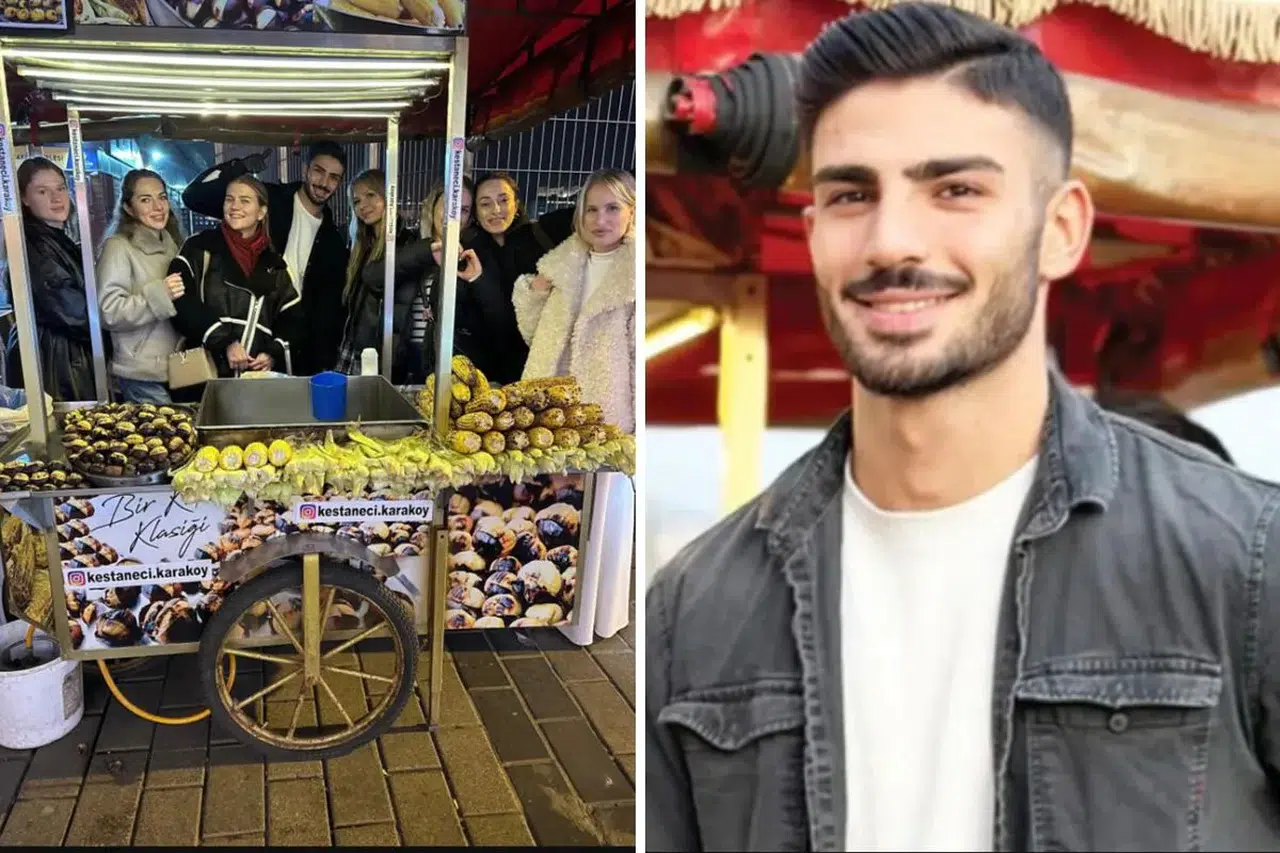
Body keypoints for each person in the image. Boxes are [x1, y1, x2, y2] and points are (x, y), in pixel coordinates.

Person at [646, 4, 1280, 851]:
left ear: (1061, 231)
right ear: (814, 231)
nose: (891, 238)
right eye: (851, 193)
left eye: (956, 189)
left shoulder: (1249, 563)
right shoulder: (692, 607)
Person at [182, 142, 348, 375]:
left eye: (334, 177)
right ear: (305, 170)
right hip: (229, 339)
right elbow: (193, 196)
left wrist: (318, 361)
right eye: (319, 171)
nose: (324, 182)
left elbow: (325, 311)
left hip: (282, 349)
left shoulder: (334, 242)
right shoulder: (270, 199)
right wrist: (239, 167)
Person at [513, 169, 636, 433]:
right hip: (545, 411)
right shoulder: (562, 267)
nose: (600, 219)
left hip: (604, 415)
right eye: (591, 209)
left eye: (612, 208)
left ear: (633, 212)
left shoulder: (637, 277)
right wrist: (533, 296)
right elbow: (534, 336)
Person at [333, 170, 482, 382]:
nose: (363, 205)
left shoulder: (406, 241)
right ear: (433, 207)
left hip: (394, 353)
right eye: (357, 200)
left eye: (371, 195)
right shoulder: (362, 244)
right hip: (366, 345)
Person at [168, 175, 298, 378]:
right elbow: (181, 303)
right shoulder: (199, 248)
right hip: (203, 377)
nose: (235, 206)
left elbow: (293, 318)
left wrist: (272, 352)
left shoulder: (275, 265)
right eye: (229, 199)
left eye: (245, 200)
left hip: (253, 383)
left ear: (261, 212)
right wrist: (224, 342)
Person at [465, 172, 574, 383]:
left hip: (540, 361)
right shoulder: (472, 251)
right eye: (486, 204)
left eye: (503, 200)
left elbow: (591, 214)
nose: (496, 210)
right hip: (488, 366)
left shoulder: (542, 233)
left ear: (516, 204)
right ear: (476, 213)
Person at [5, 156, 96, 401]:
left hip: (66, 356)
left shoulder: (58, 240)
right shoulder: (34, 246)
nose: (56, 198)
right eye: (42, 191)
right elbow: (75, 312)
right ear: (24, 199)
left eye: (60, 188)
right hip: (55, 364)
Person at [97, 169, 184, 405]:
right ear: (128, 207)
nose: (158, 207)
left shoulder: (173, 244)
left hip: (176, 369)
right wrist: (160, 295)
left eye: (162, 197)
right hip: (140, 372)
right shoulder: (118, 247)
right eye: (145, 200)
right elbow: (109, 311)